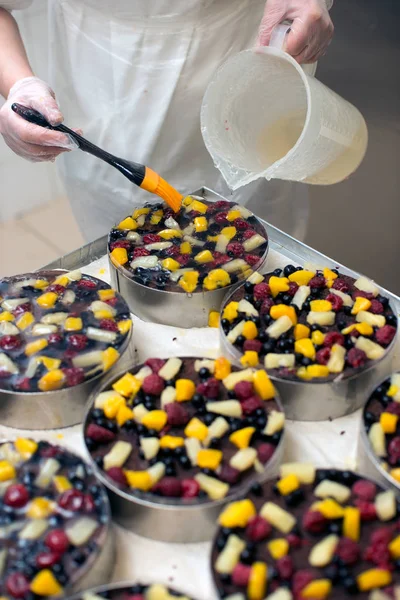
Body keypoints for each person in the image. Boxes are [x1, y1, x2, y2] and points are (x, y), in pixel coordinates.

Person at [0, 0, 334, 241]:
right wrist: (18, 83)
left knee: (262, 254)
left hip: (248, 78)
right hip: (106, 92)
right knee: (132, 267)